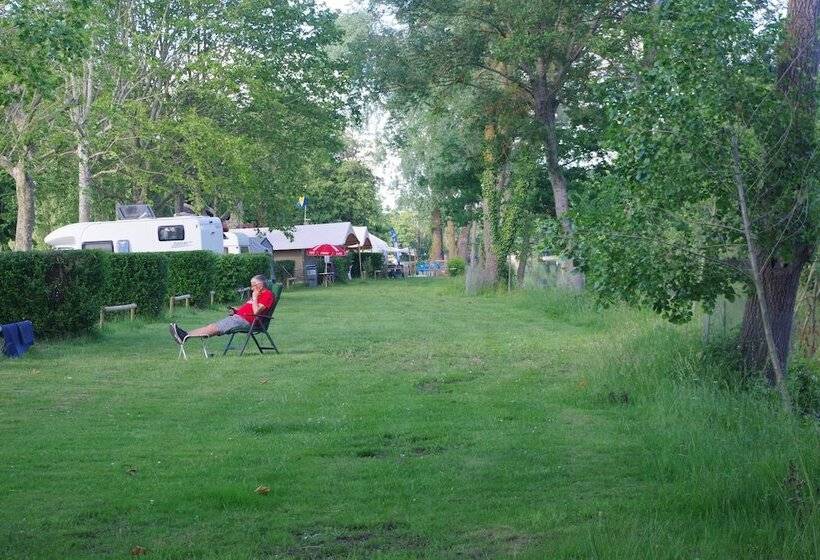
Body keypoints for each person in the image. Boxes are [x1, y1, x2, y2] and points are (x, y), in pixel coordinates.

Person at [169, 275, 275, 344]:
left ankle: (184, 336)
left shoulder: (267, 295)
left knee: (215, 328)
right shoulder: (257, 294)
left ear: (260, 285)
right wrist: (236, 311)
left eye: (253, 285)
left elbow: (256, 312)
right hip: (239, 317)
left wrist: (254, 297)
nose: (251, 288)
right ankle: (185, 335)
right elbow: (249, 308)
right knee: (212, 326)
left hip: (247, 321)